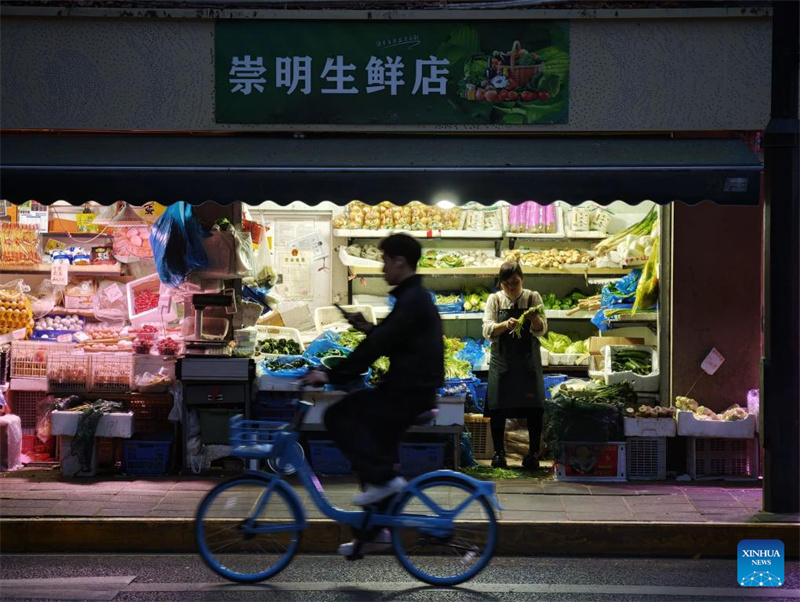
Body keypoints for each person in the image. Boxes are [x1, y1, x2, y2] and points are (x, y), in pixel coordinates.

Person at [304, 233, 444, 509]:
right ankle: (376, 531)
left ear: (400, 261)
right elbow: (394, 338)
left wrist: (330, 374)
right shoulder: (412, 296)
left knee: (338, 415)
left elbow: (377, 346)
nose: (382, 269)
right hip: (410, 389)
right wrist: (367, 327)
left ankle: (385, 483)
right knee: (376, 451)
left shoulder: (413, 299)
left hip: (409, 391)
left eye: (385, 261)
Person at [481, 260, 548, 470]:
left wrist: (534, 318)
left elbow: (541, 329)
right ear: (500, 283)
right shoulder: (495, 300)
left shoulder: (532, 297)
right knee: (498, 408)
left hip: (528, 363)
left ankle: (533, 454)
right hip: (503, 363)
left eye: (515, 283)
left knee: (534, 410)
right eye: (507, 283)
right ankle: (499, 454)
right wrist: (504, 325)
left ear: (522, 280)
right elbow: (487, 329)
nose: (511, 287)